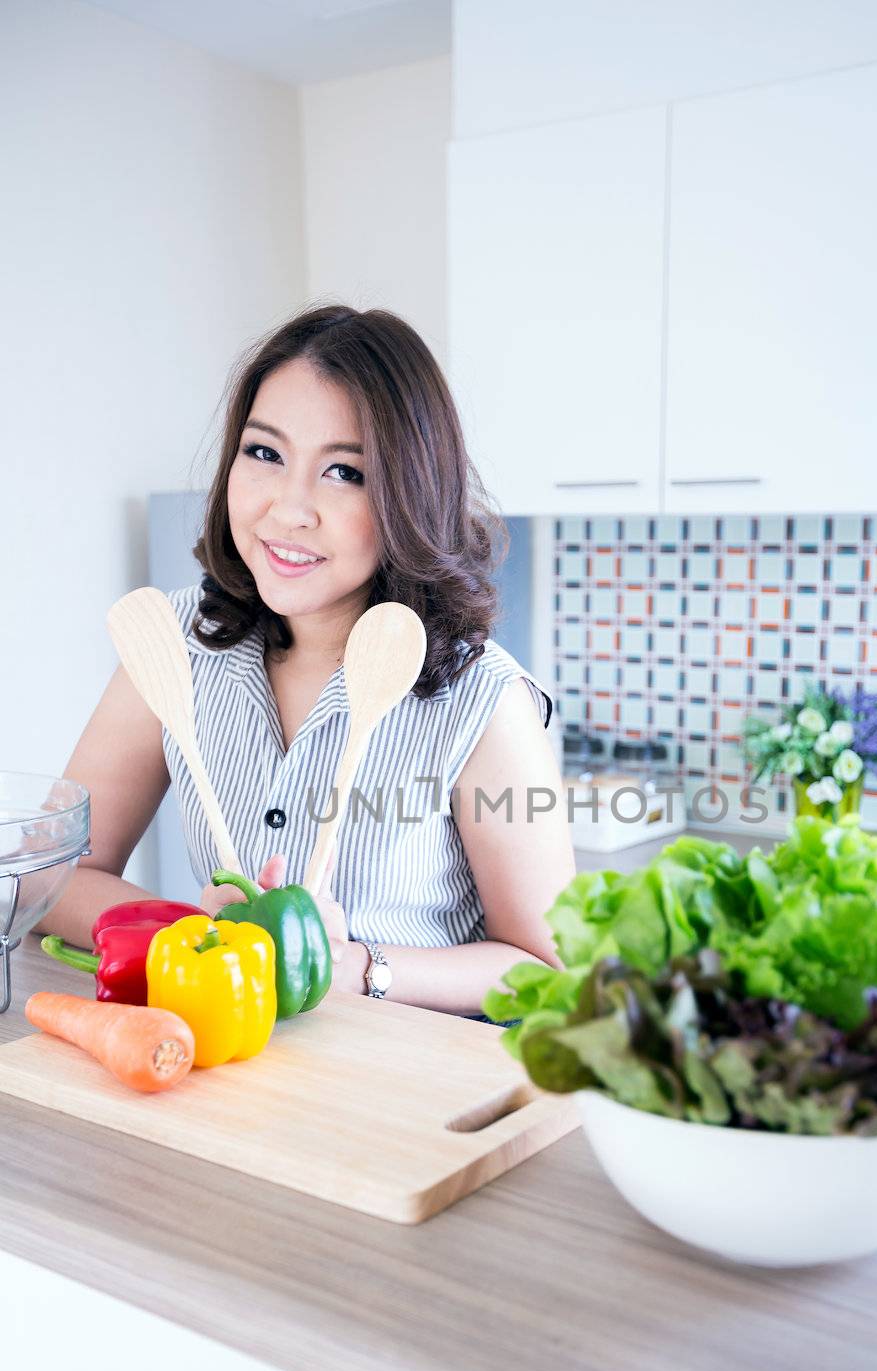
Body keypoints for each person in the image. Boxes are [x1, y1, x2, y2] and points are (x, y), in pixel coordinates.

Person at [38, 304, 576, 1017]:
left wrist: (353, 966)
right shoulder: (173, 646)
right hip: (239, 1069)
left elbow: (546, 970)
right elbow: (53, 875)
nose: (288, 509)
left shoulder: (484, 702)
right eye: (264, 453)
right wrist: (207, 938)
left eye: (344, 472)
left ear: (409, 494)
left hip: (408, 1095)